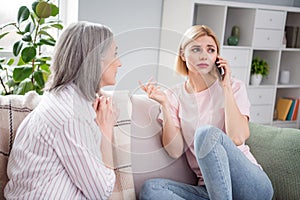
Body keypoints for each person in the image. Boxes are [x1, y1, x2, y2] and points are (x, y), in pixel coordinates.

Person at [139, 25, 273, 200]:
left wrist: (225, 87)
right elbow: (174, 150)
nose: (204, 55)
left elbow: (238, 137)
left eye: (210, 50)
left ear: (217, 56)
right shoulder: (173, 96)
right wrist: (164, 105)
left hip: (251, 186)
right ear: (182, 54)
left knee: (206, 134)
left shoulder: (233, 86)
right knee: (151, 189)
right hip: (210, 190)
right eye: (196, 49)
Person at [4, 21, 122, 199]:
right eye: (115, 54)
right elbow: (102, 191)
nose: (119, 63)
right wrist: (106, 130)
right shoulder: (70, 115)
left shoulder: (69, 99)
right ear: (95, 61)